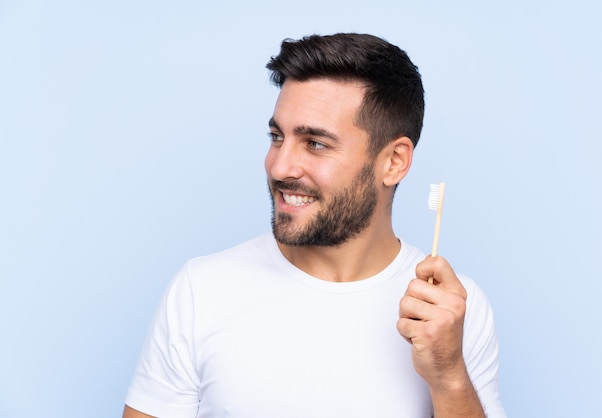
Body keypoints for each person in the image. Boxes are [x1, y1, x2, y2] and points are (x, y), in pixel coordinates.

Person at [123, 33, 505, 418]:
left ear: (393, 162)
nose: (279, 167)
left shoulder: (450, 311)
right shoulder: (200, 290)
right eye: (277, 137)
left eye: (315, 143)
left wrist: (449, 377)